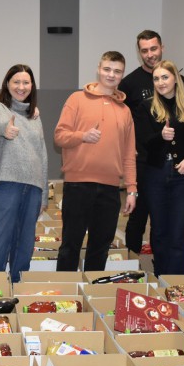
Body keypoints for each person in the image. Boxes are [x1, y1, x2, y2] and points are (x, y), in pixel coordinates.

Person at [54, 51, 137, 272]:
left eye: (117, 71)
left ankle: (91, 295)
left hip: (110, 189)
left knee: (100, 249)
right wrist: (82, 136)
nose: (111, 75)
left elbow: (129, 154)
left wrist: (131, 189)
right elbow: (59, 136)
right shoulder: (76, 99)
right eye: (107, 69)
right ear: (99, 69)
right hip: (77, 185)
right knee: (70, 246)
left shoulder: (125, 110)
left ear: (122, 75)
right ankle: (67, 297)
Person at [134, 60, 184, 277]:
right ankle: (161, 281)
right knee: (159, 232)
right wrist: (161, 137)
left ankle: (177, 286)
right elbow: (141, 142)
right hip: (155, 175)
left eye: (165, 77)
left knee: (178, 235)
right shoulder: (146, 107)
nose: (160, 82)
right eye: (156, 78)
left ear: (175, 78)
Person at [119, 30, 184, 257]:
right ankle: (132, 268)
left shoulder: (179, 80)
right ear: (139, 53)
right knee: (138, 217)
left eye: (153, 48)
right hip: (143, 162)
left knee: (168, 221)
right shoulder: (129, 83)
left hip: (174, 165)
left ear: (162, 47)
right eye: (144, 50)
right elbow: (125, 125)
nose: (150, 54)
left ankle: (165, 266)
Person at [0, 65, 48, 283]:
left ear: (32, 86)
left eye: (26, 82)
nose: (21, 87)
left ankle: (17, 294)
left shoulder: (35, 116)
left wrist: (44, 193)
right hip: (5, 185)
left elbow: (43, 154)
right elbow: (1, 124)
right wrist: (7, 129)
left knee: (24, 247)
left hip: (33, 187)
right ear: (7, 84)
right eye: (16, 82)